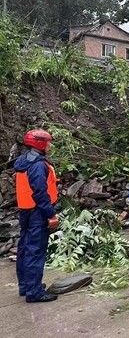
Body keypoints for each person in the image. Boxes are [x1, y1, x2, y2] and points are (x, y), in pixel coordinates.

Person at [14, 129, 59, 303]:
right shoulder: (38, 165)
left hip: (25, 210)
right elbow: (40, 192)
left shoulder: (22, 161)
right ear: (40, 143)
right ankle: (34, 292)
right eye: (48, 142)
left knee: (24, 248)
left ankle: (26, 286)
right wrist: (51, 214)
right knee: (35, 250)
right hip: (37, 212)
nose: (50, 145)